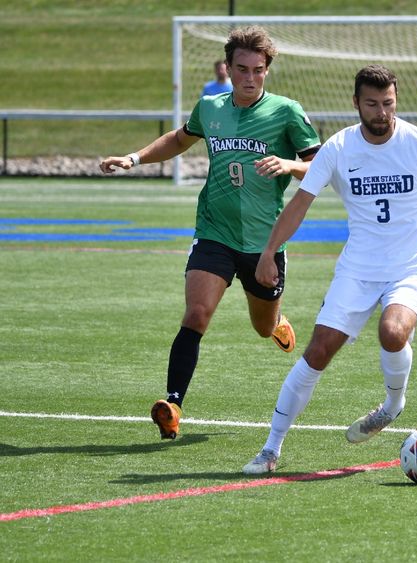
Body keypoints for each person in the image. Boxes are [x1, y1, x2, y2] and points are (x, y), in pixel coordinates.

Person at [99, 26, 321, 440]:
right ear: (229, 69)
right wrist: (135, 158)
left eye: (257, 70)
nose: (249, 78)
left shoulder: (287, 112)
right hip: (214, 232)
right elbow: (179, 139)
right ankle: (173, 404)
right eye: (242, 69)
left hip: (263, 243)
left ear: (267, 70)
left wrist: (290, 166)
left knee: (261, 325)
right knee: (197, 314)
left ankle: (275, 324)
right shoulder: (211, 107)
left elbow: (323, 166)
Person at [242, 64, 417, 475]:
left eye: (389, 104)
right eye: (373, 104)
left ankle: (393, 404)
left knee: (393, 330)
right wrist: (269, 250)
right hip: (359, 267)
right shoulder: (339, 148)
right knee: (318, 351)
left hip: (412, 264)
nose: (382, 113)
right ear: (356, 104)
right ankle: (270, 449)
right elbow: (299, 204)